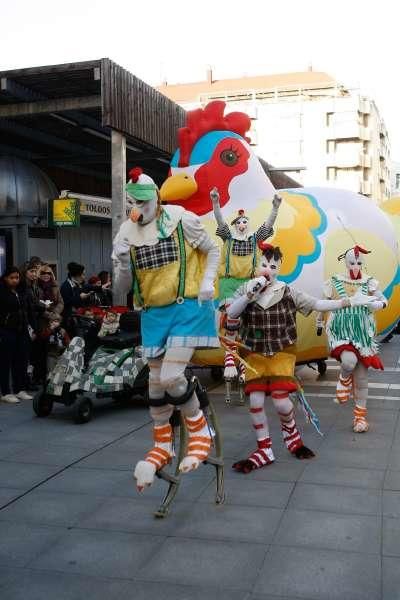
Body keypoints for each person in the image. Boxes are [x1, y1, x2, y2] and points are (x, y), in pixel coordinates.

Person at [226, 243, 377, 473]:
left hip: (282, 351)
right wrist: (249, 293)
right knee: (255, 401)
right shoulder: (246, 290)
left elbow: (317, 304)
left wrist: (347, 302)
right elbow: (231, 314)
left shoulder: (288, 291)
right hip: (254, 353)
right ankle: (264, 449)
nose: (268, 269)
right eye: (264, 264)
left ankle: (292, 434)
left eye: (273, 265)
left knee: (281, 402)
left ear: (280, 267)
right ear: (258, 265)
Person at [113, 166, 220, 491]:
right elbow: (123, 287)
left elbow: (213, 249)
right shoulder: (126, 232)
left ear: (156, 199)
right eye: (133, 203)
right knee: (156, 385)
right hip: (153, 314)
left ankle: (200, 432)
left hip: (186, 307)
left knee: (172, 376)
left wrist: (206, 281)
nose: (138, 210)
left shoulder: (181, 218)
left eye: (143, 203)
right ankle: (163, 445)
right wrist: (120, 265)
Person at [318, 245, 386, 432]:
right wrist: (318, 322)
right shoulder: (335, 281)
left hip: (362, 334)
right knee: (349, 362)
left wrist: (376, 303)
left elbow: (383, 300)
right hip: (341, 332)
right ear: (345, 262)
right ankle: (344, 379)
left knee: (362, 379)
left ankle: (360, 418)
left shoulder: (369, 282)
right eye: (351, 262)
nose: (355, 266)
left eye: (358, 262)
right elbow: (322, 302)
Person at [0, 266, 33, 403]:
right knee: (5, 361)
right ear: (5, 278)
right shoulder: (1, 292)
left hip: (22, 329)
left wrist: (32, 328)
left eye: (17, 277)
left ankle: (19, 389)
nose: (15, 280)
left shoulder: (21, 291)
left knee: (21, 360)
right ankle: (5, 392)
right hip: (6, 330)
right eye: (12, 278)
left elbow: (28, 310)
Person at [60, 262, 93, 328]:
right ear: (77, 275)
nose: (84, 277)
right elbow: (66, 302)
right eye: (83, 274)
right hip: (70, 320)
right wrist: (80, 297)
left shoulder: (78, 284)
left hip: (78, 317)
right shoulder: (66, 286)